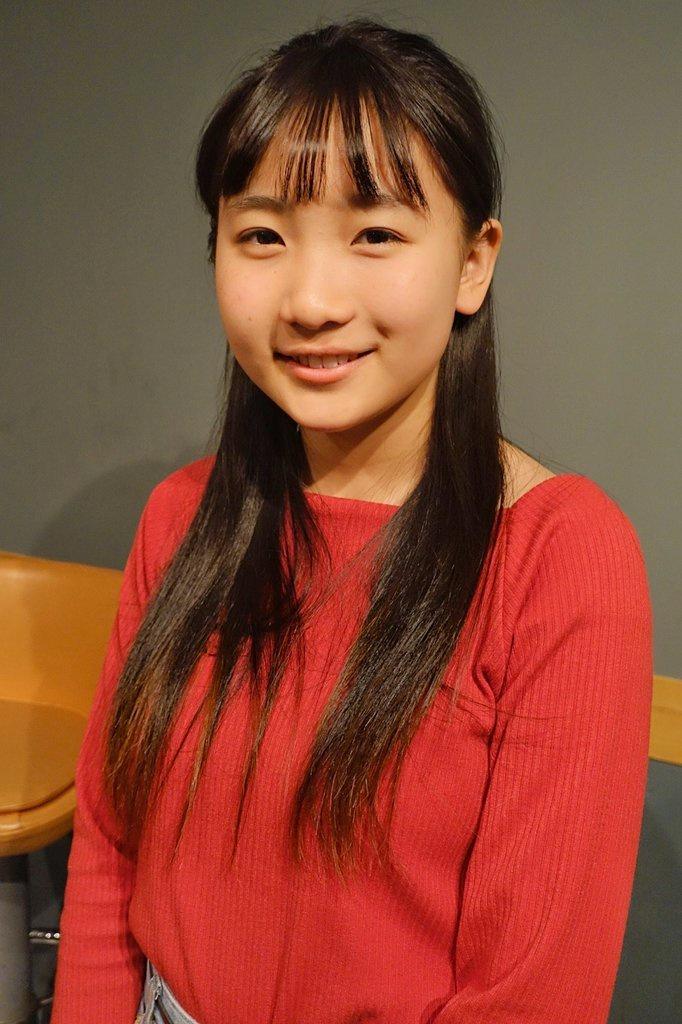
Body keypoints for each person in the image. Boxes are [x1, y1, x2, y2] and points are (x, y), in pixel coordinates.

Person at [50, 17, 653, 1024]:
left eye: (375, 234)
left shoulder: (560, 557)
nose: (311, 299)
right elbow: (113, 849)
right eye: (262, 235)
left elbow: (530, 997)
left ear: (473, 262)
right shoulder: (182, 517)